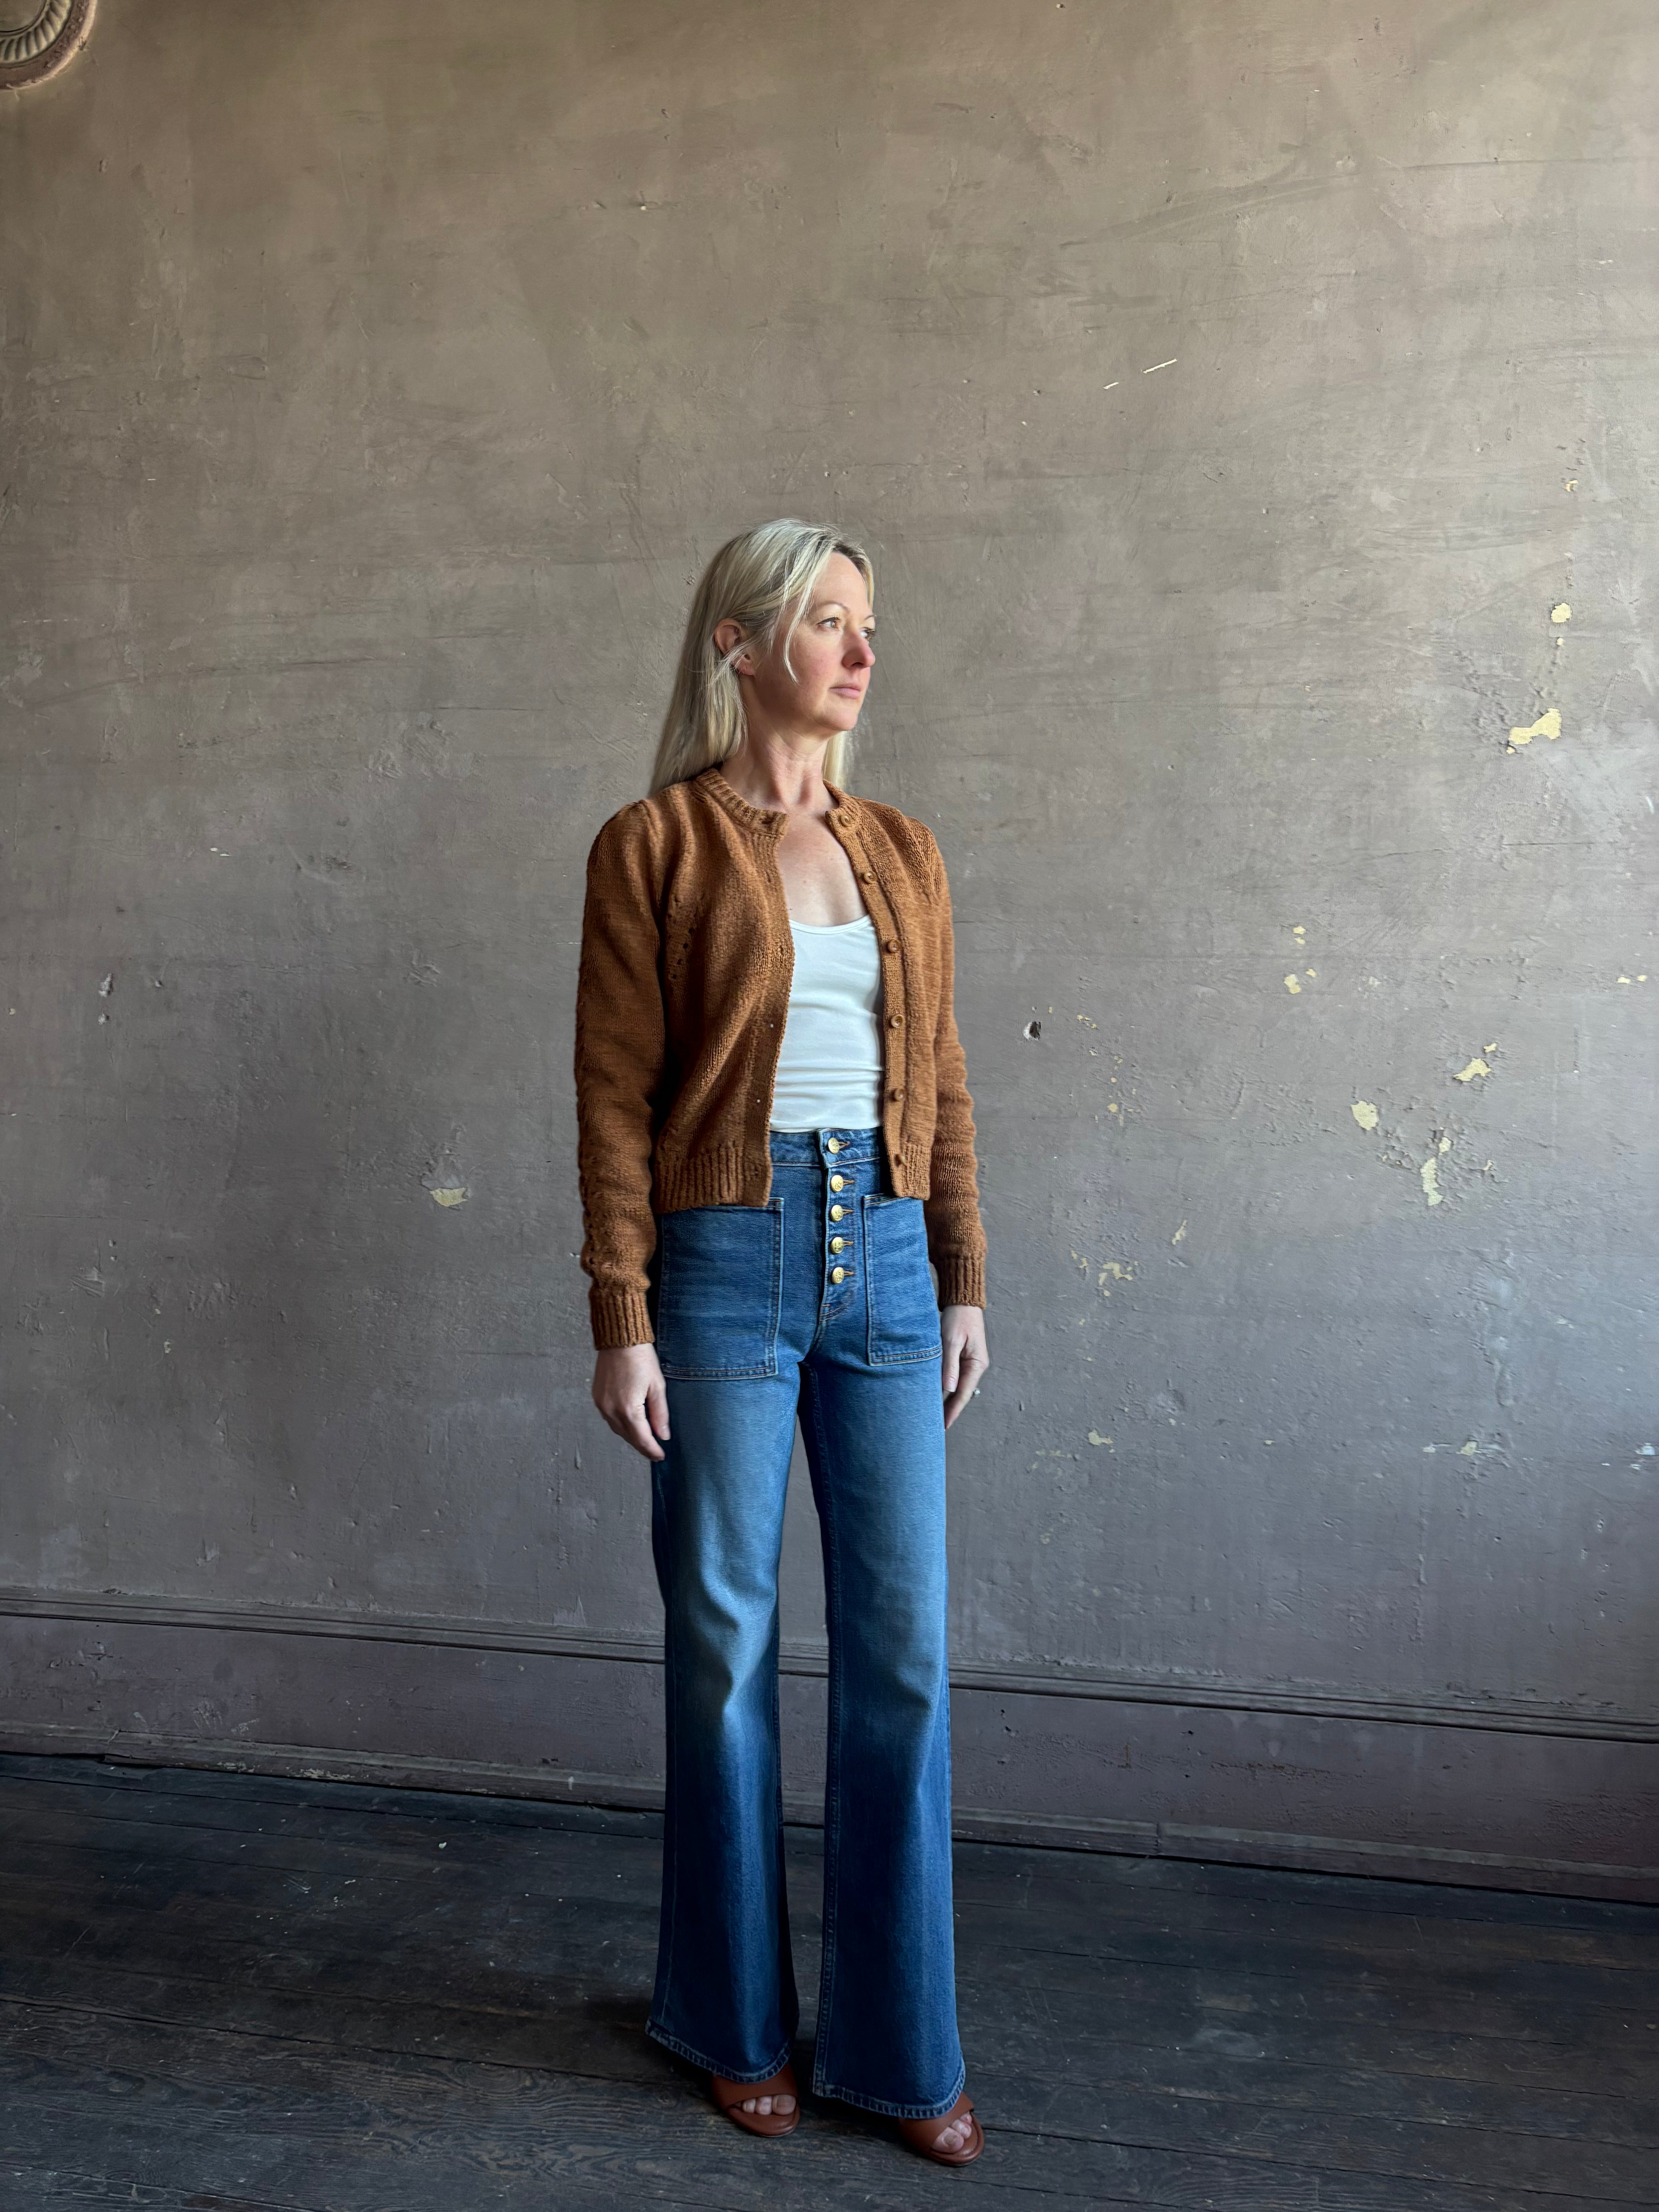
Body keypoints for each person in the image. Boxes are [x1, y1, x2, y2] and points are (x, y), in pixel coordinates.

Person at [572, 519, 990, 2164]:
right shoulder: (654, 847)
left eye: (867, 622)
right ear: (739, 646)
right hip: (727, 1262)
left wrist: (959, 1275)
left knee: (900, 1658)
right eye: (827, 620)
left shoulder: (905, 850)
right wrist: (623, 1316)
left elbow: (944, 1078)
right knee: (726, 1649)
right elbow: (612, 1097)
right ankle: (731, 2022)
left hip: (884, 1260)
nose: (860, 650)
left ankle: (901, 2049)